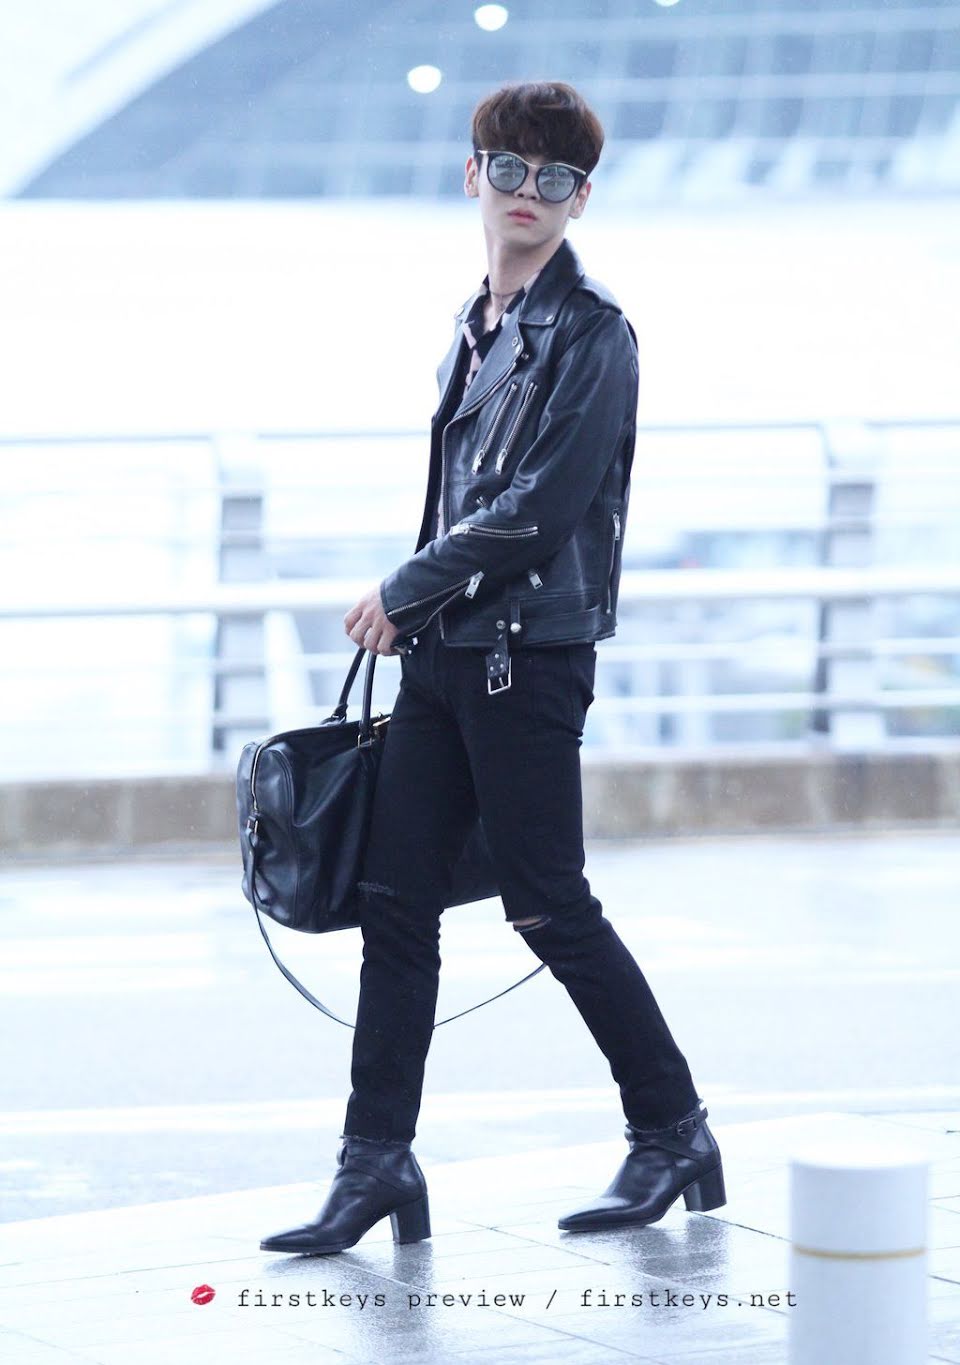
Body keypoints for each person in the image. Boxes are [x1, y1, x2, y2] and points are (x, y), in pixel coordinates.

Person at [260, 80, 725, 1257]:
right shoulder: (477, 321)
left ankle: (673, 1130)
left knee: (548, 905)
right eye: (509, 168)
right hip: (446, 658)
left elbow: (541, 505)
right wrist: (420, 613)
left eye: (555, 177)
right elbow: (465, 497)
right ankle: (375, 1163)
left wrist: (404, 588)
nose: (528, 192)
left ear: (581, 198)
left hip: (530, 660)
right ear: (473, 175)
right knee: (393, 908)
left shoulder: (596, 332)